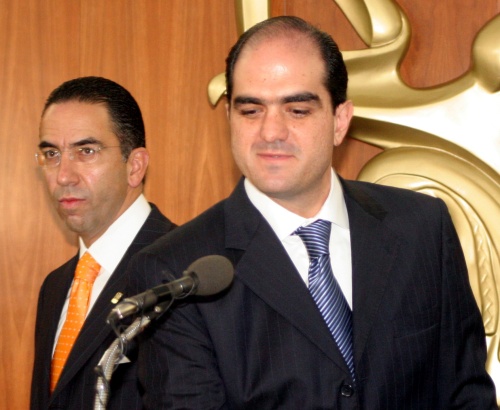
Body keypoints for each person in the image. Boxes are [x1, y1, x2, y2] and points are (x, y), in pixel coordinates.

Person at [127, 16, 496, 408]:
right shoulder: (177, 270)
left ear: (340, 121)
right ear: (229, 118)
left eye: (297, 110)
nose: (271, 132)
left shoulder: (422, 227)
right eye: (251, 111)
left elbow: (466, 394)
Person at [30, 76, 176, 409]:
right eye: (51, 154)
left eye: (86, 151)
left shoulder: (183, 273)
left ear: (135, 166)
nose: (63, 175)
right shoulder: (55, 286)